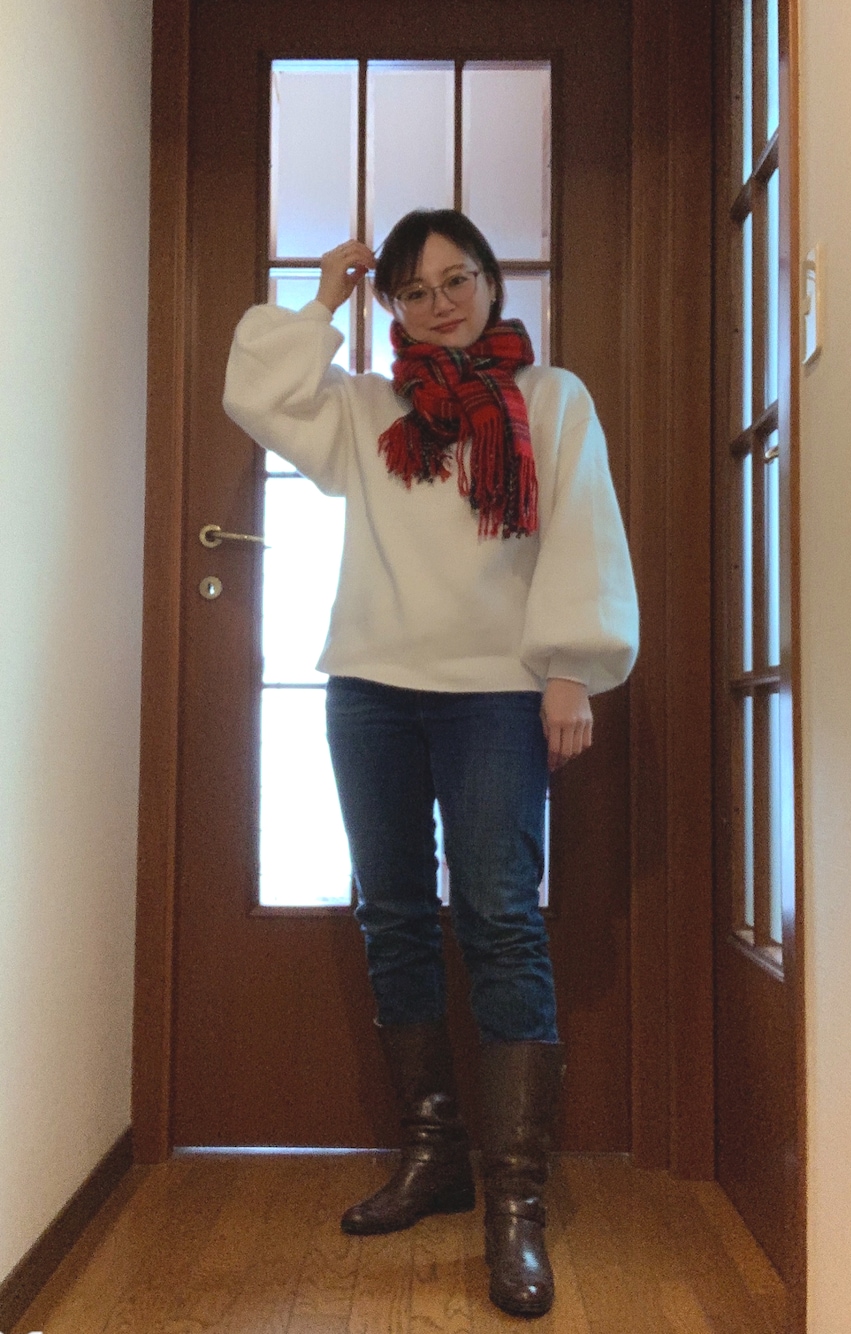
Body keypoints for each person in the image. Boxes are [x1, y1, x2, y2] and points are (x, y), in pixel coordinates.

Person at [223, 209, 638, 1318]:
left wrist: (572, 669)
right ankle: (433, 1154)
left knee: (500, 916)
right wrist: (323, 297)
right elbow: (258, 396)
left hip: (498, 695)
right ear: (394, 309)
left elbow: (584, 530)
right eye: (413, 291)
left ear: (492, 283)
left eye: (456, 280)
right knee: (396, 916)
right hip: (370, 691)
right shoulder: (368, 409)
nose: (440, 303)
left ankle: (516, 1204)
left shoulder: (550, 399)